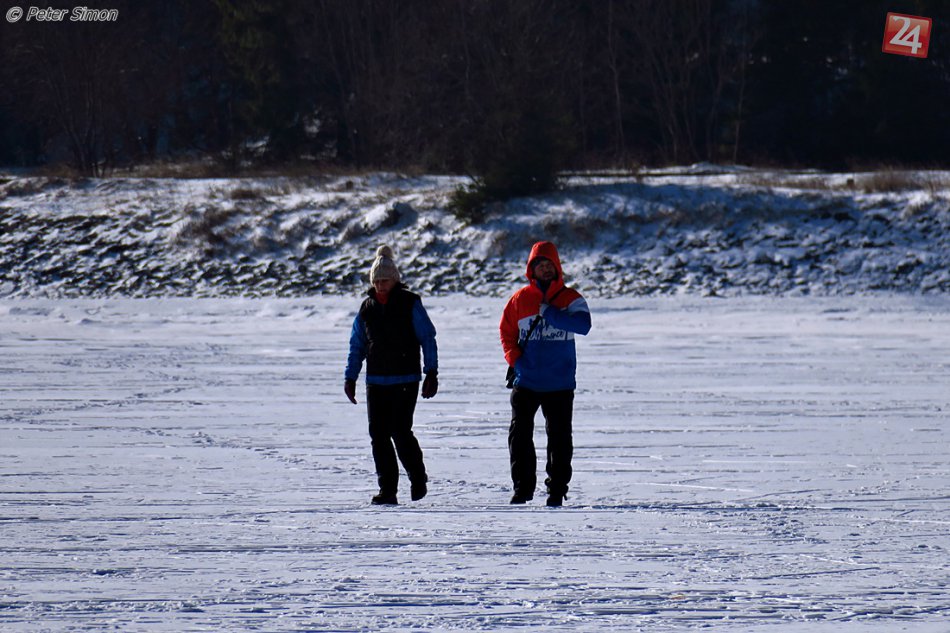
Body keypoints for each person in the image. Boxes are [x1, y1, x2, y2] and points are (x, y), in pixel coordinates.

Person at [345, 245, 439, 505]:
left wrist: (431, 372)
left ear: (395, 280)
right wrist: (350, 377)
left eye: (384, 280)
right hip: (376, 381)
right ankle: (388, 490)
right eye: (376, 281)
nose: (380, 286)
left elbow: (427, 337)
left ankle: (417, 476)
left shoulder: (410, 303)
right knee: (378, 435)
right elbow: (357, 345)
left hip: (405, 379)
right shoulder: (367, 308)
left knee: (400, 431)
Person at [500, 241, 591, 507]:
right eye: (540, 265)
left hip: (560, 382)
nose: (546, 269)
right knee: (519, 436)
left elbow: (583, 325)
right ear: (532, 269)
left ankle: (557, 490)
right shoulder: (519, 299)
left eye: (549, 264)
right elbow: (506, 332)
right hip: (526, 380)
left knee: (560, 439)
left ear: (557, 267)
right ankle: (522, 488)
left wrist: (550, 313)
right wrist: (514, 359)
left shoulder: (570, 298)